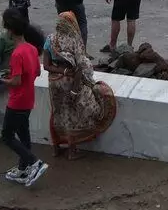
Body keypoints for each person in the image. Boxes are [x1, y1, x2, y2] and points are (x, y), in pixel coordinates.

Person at [45, 10, 118, 160]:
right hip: (70, 82)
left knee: (57, 112)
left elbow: (46, 65)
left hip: (54, 82)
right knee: (72, 115)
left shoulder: (50, 39)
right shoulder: (75, 41)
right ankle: (72, 151)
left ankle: (56, 148)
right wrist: (74, 90)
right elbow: (79, 67)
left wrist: (61, 70)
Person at [0, 9, 49, 188]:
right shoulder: (32, 49)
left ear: (9, 30)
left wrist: (2, 80)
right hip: (28, 99)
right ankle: (23, 167)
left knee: (7, 136)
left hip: (17, 100)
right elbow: (36, 72)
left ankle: (34, 162)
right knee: (23, 134)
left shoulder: (17, 54)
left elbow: (16, 81)